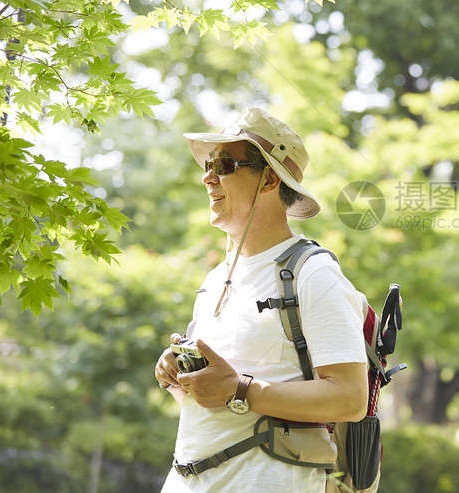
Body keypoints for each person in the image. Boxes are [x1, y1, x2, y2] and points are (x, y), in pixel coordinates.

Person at [154, 108, 368, 492]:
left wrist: (241, 389)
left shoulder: (314, 273)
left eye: (223, 164)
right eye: (208, 163)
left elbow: (351, 397)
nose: (207, 175)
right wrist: (178, 378)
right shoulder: (216, 278)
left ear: (269, 179)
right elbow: (218, 399)